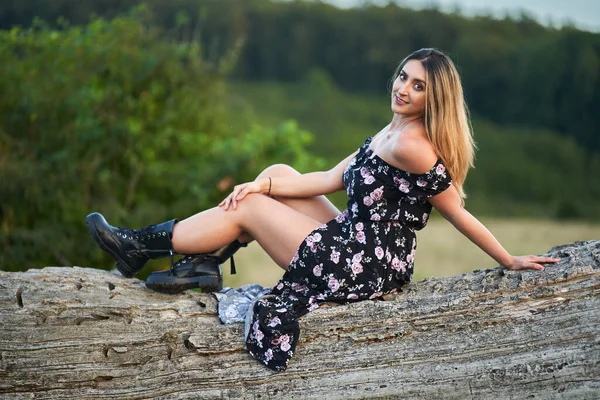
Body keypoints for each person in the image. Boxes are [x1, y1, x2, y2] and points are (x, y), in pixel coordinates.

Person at [86, 48, 560, 371]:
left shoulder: (415, 146)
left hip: (367, 264)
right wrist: (264, 181)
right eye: (403, 77)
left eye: (417, 87)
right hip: (356, 239)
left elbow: (458, 211)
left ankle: (138, 245)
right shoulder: (389, 130)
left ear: (432, 98)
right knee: (279, 171)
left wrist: (509, 259)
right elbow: (330, 178)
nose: (403, 89)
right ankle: (202, 265)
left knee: (249, 210)